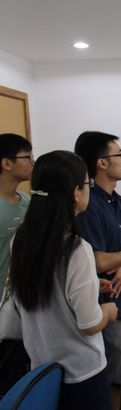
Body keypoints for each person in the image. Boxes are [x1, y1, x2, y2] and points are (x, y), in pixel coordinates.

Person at [9, 150, 118, 410]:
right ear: (76, 193)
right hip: (82, 374)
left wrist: (91, 285)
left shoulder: (20, 240)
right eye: (88, 184)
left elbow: (46, 290)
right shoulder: (77, 249)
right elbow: (90, 324)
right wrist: (108, 310)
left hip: (42, 371)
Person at [75, 131, 121, 410]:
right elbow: (99, 262)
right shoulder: (88, 206)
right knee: (115, 381)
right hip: (112, 306)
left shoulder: (120, 202)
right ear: (102, 163)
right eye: (120, 155)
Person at [0, 133, 33, 394]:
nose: (32, 162)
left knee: (18, 377)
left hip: (23, 304)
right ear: (6, 163)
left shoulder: (28, 203)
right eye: (27, 157)